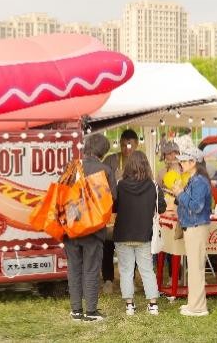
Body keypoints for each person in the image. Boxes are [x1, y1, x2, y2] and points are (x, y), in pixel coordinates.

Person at [64, 133, 116, 322]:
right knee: (92, 268)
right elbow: (113, 199)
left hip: (71, 226)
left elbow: (61, 194)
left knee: (74, 268)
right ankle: (91, 312)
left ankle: (76, 310)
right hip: (93, 228)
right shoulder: (105, 170)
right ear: (102, 151)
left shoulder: (72, 167)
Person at [113, 151, 167, 316]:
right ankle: (152, 305)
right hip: (144, 234)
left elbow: (114, 207)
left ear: (128, 165)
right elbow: (162, 207)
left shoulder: (120, 185)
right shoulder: (153, 185)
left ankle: (129, 305)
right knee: (147, 270)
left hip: (122, 234)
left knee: (126, 270)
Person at [172, 147, 212, 317]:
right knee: (194, 268)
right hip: (193, 227)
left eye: (183, 160)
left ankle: (198, 307)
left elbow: (196, 206)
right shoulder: (195, 180)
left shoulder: (199, 182)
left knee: (196, 269)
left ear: (193, 162)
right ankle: (194, 303)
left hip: (196, 227)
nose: (180, 163)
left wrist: (180, 193)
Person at [102, 129, 139, 293]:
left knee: (132, 243)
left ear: (137, 145)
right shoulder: (111, 159)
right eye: (123, 145)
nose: (127, 149)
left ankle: (130, 279)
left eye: (130, 145)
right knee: (108, 242)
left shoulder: (139, 161)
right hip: (112, 205)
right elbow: (100, 180)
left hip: (132, 206)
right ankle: (108, 279)